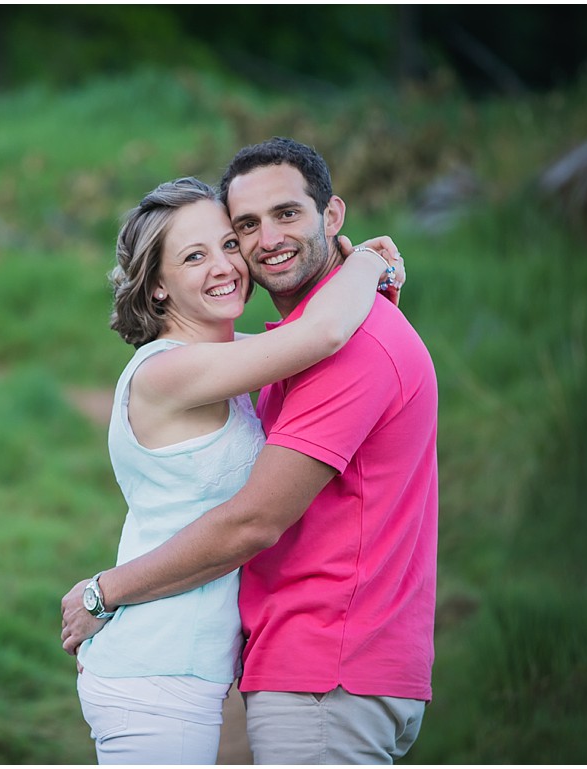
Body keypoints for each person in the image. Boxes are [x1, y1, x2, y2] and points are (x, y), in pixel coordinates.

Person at [62, 137, 438, 765]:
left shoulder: (262, 364)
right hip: (161, 664)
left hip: (293, 667)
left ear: (332, 216)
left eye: (227, 245)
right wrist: (367, 267)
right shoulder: (174, 371)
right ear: (157, 288)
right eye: (202, 251)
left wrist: (365, 275)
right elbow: (323, 330)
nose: (236, 259)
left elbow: (329, 341)